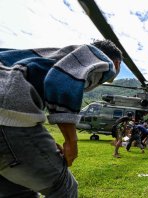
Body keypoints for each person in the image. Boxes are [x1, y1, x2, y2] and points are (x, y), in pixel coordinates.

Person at [0, 40, 122, 197]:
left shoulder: (41, 55)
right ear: (117, 63)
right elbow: (60, 82)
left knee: (17, 190)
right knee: (64, 187)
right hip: (8, 116)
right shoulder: (101, 60)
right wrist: (71, 141)